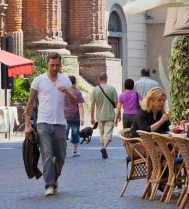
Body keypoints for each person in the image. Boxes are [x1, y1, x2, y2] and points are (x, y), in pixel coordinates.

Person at [24, 51, 78, 196]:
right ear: (47, 64)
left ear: (60, 65)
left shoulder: (65, 80)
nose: (55, 68)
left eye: (57, 65)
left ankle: (53, 179)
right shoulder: (38, 80)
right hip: (43, 123)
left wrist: (67, 92)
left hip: (60, 123)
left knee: (60, 156)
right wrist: (27, 125)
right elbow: (30, 103)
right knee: (47, 155)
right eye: (52, 65)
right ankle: (49, 185)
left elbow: (74, 101)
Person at [88, 72, 119, 159]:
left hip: (99, 116)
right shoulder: (112, 89)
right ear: (106, 78)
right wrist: (118, 115)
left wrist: (92, 117)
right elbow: (117, 104)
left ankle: (103, 149)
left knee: (102, 134)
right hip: (110, 115)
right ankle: (104, 148)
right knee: (108, 133)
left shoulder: (95, 90)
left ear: (99, 79)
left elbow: (92, 105)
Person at [64, 75, 84, 157]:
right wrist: (82, 118)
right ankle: (74, 152)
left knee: (63, 135)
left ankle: (62, 151)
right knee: (75, 135)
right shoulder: (78, 92)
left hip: (64, 117)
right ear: (75, 82)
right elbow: (80, 106)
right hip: (75, 117)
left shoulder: (63, 92)